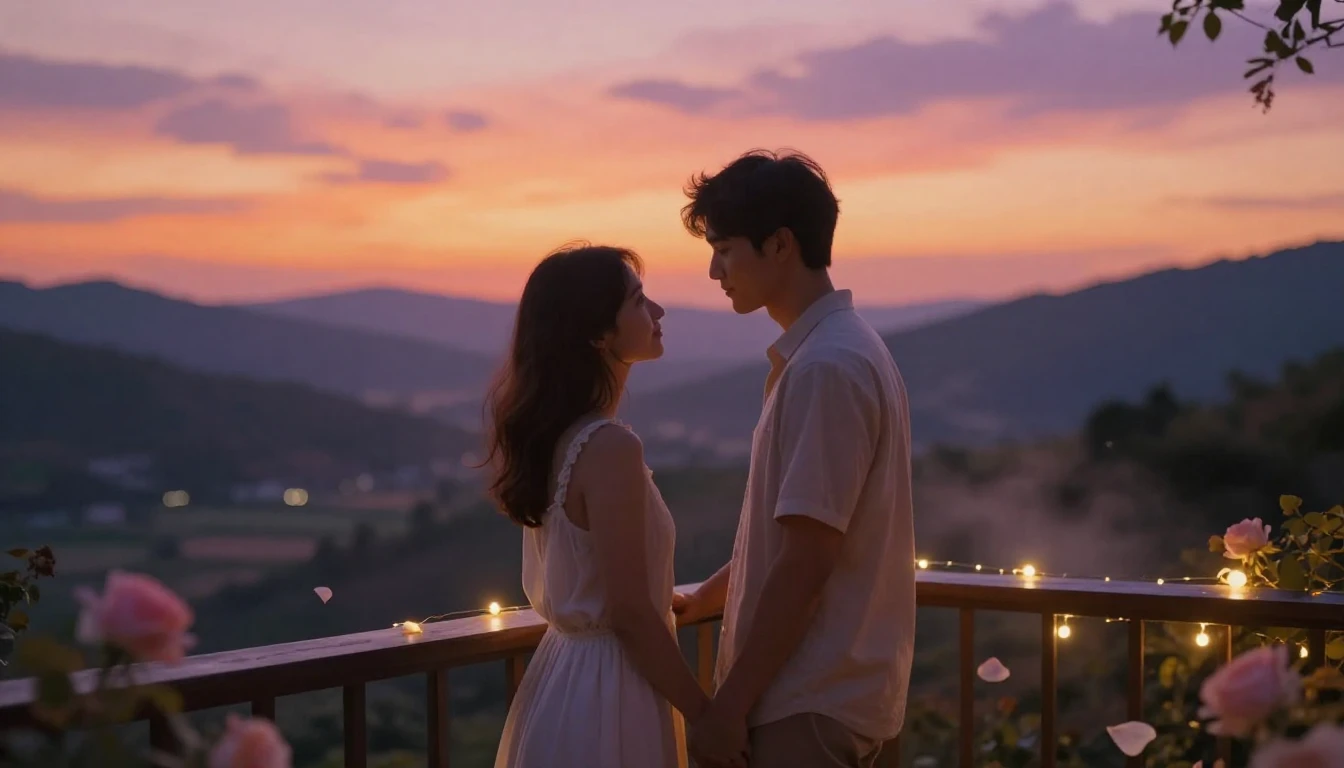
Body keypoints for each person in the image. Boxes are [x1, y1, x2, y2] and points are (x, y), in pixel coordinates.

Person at [672, 150, 916, 768]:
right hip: (833, 696)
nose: (713, 270)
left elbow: (807, 559)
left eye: (725, 249)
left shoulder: (826, 368)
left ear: (780, 245)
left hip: (806, 703)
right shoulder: (843, 351)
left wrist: (728, 707)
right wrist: (712, 595)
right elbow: (810, 531)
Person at [488, 243, 710, 768]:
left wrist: (661, 593)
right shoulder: (609, 447)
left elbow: (608, 582)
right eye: (637, 302)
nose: (657, 312)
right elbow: (630, 614)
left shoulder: (559, 437)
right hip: (612, 690)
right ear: (596, 333)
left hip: (564, 680)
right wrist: (706, 714)